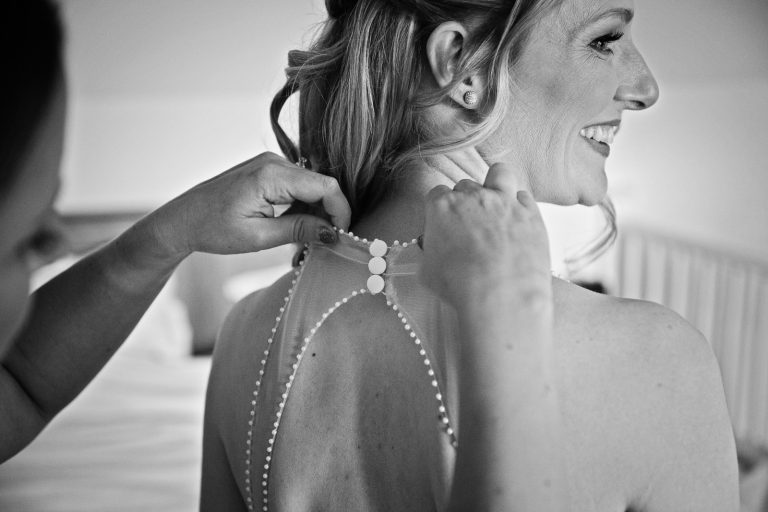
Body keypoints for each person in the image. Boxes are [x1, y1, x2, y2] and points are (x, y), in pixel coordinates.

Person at [201, 0, 740, 511]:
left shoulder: (245, 335)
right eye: (604, 40)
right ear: (466, 68)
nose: (646, 88)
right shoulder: (658, 359)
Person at [0, 0, 353, 463]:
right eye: (29, 239)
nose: (59, 243)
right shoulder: (252, 331)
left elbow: (19, 385)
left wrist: (174, 232)